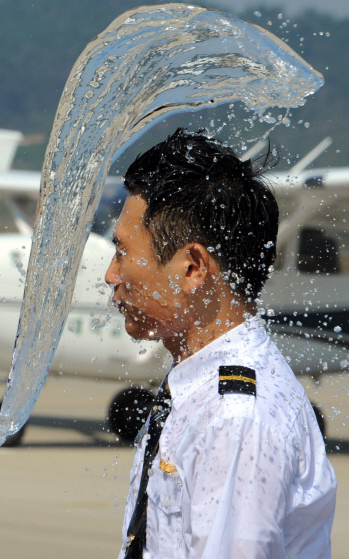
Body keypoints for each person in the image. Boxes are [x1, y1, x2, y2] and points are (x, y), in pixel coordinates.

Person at [105, 128, 336, 559]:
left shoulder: (234, 418)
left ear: (193, 268)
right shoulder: (200, 389)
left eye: (121, 252)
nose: (110, 276)